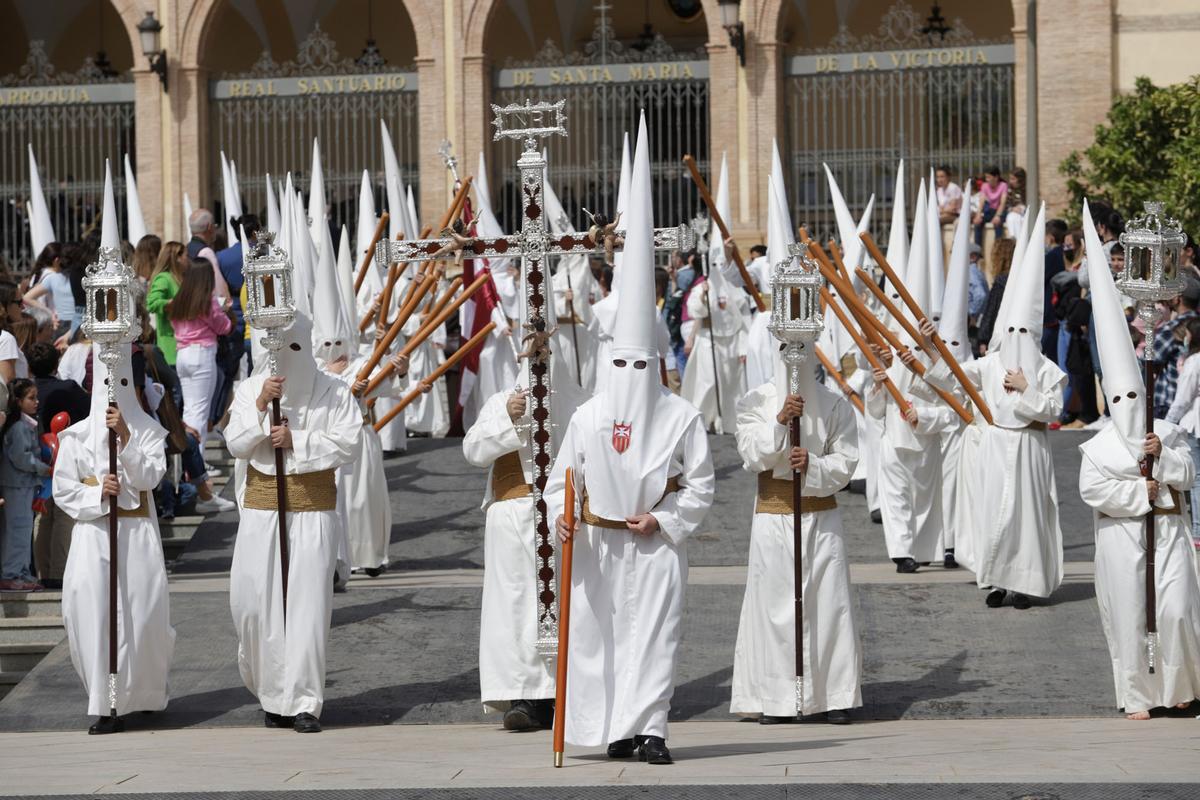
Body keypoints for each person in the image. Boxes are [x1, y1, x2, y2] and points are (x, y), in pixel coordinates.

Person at [546, 117, 715, 765]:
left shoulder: (680, 417)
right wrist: (563, 516)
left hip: (653, 544)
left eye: (639, 364)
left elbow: (700, 484)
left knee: (654, 638)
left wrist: (665, 519)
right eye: (621, 363)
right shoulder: (588, 417)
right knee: (601, 641)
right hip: (598, 545)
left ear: (656, 362)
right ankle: (610, 729)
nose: (629, 374)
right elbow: (562, 479)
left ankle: (650, 729)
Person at [1076, 202, 1200, 720]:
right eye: (1121, 398)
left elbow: (1188, 474)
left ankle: (1180, 688)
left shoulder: (1165, 430)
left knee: (1175, 611)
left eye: (1136, 396)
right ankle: (1138, 695)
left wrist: (1162, 459)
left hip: (1168, 533)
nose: (1130, 405)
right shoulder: (1099, 445)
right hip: (1123, 537)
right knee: (1130, 618)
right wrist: (1137, 492)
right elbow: (1092, 490)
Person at [923, 205, 1065, 609]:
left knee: (1025, 517)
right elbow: (954, 377)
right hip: (995, 445)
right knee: (992, 513)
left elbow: (1053, 410)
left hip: (1030, 447)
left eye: (1024, 330)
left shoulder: (1048, 370)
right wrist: (932, 346)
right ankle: (997, 582)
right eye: (1011, 330)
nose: (1017, 336)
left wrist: (1026, 389)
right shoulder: (989, 363)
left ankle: (1025, 584)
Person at [226, 312, 360, 734]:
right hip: (262, 512)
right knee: (253, 607)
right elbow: (234, 442)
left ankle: (302, 703)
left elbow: (349, 442)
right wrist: (261, 408)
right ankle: (273, 693)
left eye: (296, 348)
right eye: (280, 350)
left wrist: (297, 440)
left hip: (312, 512)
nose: (289, 358)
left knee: (305, 609)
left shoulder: (335, 391)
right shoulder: (250, 389)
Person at [730, 341, 861, 725]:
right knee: (774, 605)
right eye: (788, 349)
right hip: (773, 516)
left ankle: (833, 696)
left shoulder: (834, 405)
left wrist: (813, 464)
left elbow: (847, 461)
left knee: (827, 605)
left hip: (820, 518)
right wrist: (778, 423)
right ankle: (775, 698)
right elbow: (750, 453)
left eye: (802, 350)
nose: (795, 359)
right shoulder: (755, 401)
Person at [53, 345, 174, 733]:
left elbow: (150, 477)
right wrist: (96, 492)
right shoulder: (75, 437)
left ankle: (145, 693)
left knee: (143, 613)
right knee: (92, 613)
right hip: (94, 536)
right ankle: (106, 702)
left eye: (122, 382)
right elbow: (63, 489)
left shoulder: (149, 431)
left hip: (137, 536)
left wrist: (126, 438)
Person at [169, 259, 232, 456]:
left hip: (182, 354)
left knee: (190, 409)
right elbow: (224, 327)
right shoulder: (207, 301)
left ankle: (189, 461)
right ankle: (196, 463)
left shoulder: (180, 299)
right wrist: (225, 311)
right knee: (200, 412)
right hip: (201, 353)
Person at [680, 259, 747, 433]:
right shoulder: (700, 287)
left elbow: (743, 319)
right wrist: (703, 295)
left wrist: (743, 347)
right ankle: (700, 421)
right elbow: (696, 311)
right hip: (708, 338)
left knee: (729, 382)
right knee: (709, 381)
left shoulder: (735, 290)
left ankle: (724, 422)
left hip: (731, 342)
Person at [1, 379, 50, 592]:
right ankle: (10, 575)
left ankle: (20, 572)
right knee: (17, 530)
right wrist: (45, 469)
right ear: (18, 401)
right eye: (31, 398)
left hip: (23, 485)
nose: (36, 401)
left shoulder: (25, 424)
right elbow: (21, 458)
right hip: (16, 486)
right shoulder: (19, 427)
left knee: (22, 530)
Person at [1165, 316, 1200, 547]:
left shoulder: (1194, 362)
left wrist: (1168, 423)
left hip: (1195, 423)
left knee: (1197, 478)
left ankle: (1198, 529)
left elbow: (1183, 399)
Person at [1151, 278, 1200, 419]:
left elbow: (1149, 358)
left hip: (1169, 403)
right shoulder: (1196, 324)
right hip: (1192, 405)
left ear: (1177, 298)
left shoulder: (1172, 328)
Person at [146, 242, 188, 366]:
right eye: (186, 255)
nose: (188, 259)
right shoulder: (164, 278)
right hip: (170, 343)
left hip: (183, 341)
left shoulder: (180, 277)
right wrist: (172, 303)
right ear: (177, 258)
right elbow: (152, 304)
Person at [22, 243, 73, 338]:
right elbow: (27, 298)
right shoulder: (52, 277)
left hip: (40, 321)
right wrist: (50, 313)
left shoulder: (37, 274)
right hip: (50, 323)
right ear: (56, 260)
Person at [186, 209, 230, 301]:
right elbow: (219, 287)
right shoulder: (206, 252)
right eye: (214, 226)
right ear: (209, 227)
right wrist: (227, 303)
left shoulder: (186, 248)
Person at [972, 166, 1008, 251]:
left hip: (1000, 211)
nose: (987, 179)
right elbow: (981, 202)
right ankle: (977, 251)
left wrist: (998, 216)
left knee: (997, 224)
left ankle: (997, 250)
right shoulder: (985, 186)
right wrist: (978, 215)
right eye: (986, 177)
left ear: (996, 177)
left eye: (989, 177)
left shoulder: (1003, 185)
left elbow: (1002, 203)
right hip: (989, 211)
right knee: (978, 224)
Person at [0, 281, 30, 381]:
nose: (23, 307)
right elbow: (8, 382)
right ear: (5, 305)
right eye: (19, 302)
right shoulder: (6, 339)